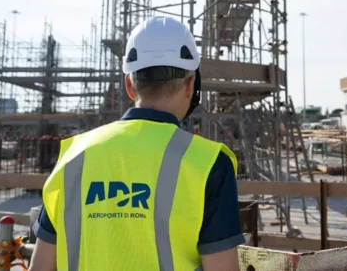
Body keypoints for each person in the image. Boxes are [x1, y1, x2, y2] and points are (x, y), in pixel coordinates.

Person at [29, 16, 243, 271]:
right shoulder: (209, 164)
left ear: (129, 86)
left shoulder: (74, 156)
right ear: (190, 85)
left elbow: (40, 267)